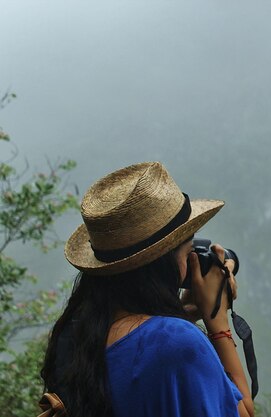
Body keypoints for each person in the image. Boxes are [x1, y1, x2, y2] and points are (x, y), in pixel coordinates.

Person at [40, 161, 254, 417]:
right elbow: (244, 413)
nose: (191, 262)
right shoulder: (176, 342)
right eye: (188, 252)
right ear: (162, 263)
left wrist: (181, 313)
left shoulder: (73, 334)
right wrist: (217, 321)